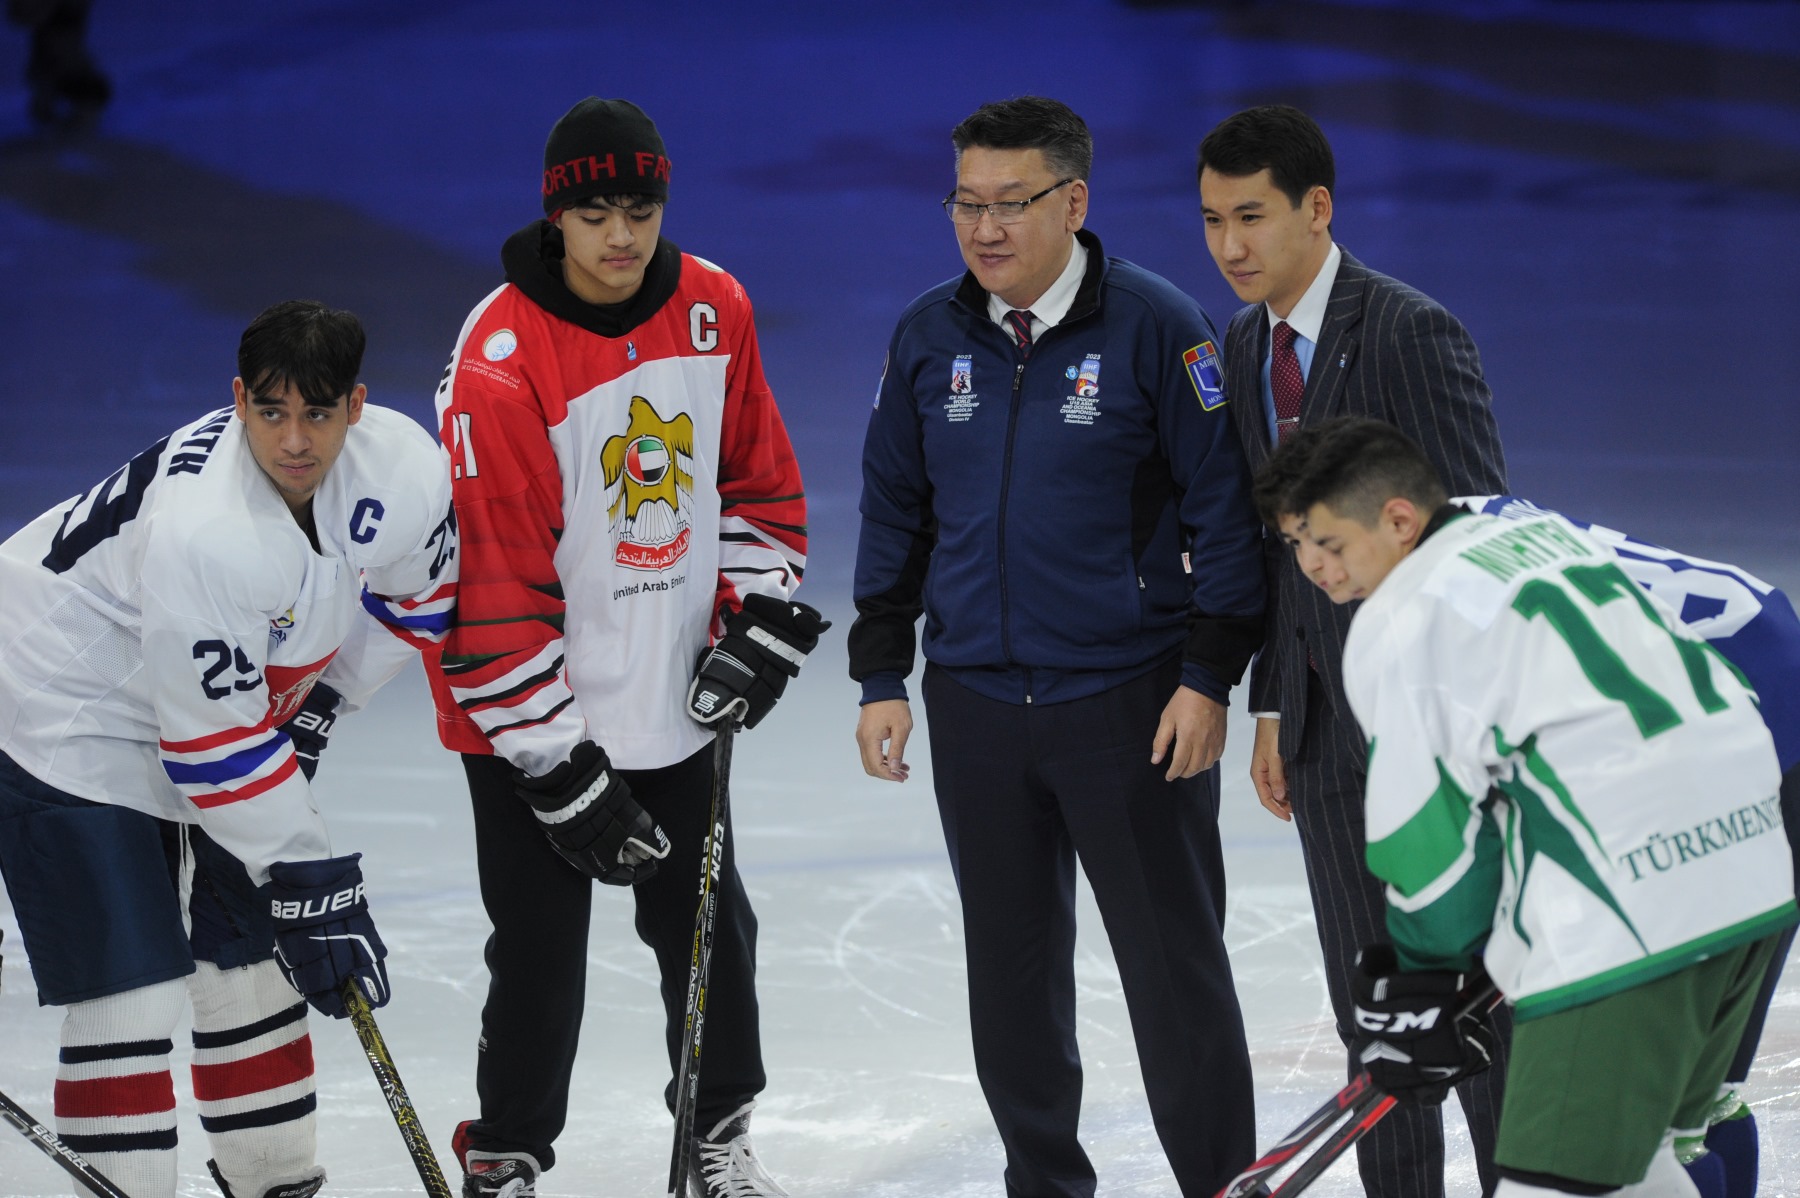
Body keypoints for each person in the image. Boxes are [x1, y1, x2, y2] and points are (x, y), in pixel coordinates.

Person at [851, 96, 1265, 1198]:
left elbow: (1226, 513)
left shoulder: (1157, 326)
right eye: (965, 203)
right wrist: (882, 671)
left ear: (1073, 203)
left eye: (1010, 204)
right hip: (978, 707)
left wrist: (1209, 675)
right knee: (1013, 978)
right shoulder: (928, 335)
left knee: (1175, 977)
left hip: (1129, 708)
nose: (984, 229)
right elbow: (895, 507)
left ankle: (1222, 1185)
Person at [424, 97, 822, 1198]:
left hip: (675, 700)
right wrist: (556, 764)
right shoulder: (500, 356)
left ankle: (717, 1130)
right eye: (595, 211)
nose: (620, 236)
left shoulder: (714, 306)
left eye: (639, 207)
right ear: (556, 215)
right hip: (524, 722)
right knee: (540, 954)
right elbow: (492, 582)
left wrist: (754, 614)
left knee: (711, 932)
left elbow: (759, 485)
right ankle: (504, 1155)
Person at [1255, 416, 1796, 1198]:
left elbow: (1429, 851)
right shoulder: (1540, 537)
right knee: (1649, 1165)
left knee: (1553, 1183)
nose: (1311, 568)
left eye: (1326, 543)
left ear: (1399, 518)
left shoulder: (1402, 620)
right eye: (1293, 546)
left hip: (1634, 914)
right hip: (1755, 869)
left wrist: (1423, 983)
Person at [0, 300, 458, 1198]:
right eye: (272, 412)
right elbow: (214, 750)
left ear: (356, 407)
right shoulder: (207, 532)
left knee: (250, 965)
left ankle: (276, 1187)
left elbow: (418, 601)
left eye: (318, 414)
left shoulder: (402, 469)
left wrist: (324, 703)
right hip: (61, 704)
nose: (295, 440)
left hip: (201, 703)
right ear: (237, 399)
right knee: (129, 986)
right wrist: (311, 875)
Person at [1197, 102, 1511, 1197]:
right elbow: (1276, 546)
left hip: (1437, 730)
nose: (1230, 246)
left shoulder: (1410, 332)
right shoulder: (1242, 345)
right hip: (1329, 737)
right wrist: (1278, 703)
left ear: (1316, 209)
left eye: (1251, 216)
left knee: (1471, 1007)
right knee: (1373, 1016)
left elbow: (1478, 528)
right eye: (1211, 222)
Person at [1457, 494, 1800, 1198]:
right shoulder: (1480, 524)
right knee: (1708, 1088)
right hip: (1769, 712)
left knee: (1668, 1114)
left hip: (1752, 762)